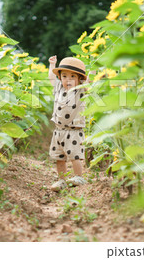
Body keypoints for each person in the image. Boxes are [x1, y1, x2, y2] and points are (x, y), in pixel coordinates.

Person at [48, 56, 89, 191]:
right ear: (60, 78)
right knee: (59, 157)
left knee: (74, 155)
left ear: (79, 80)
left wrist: (91, 75)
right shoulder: (59, 89)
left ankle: (79, 176)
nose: (68, 79)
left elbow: (89, 84)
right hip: (59, 131)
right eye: (64, 76)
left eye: (72, 76)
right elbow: (52, 78)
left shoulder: (80, 90)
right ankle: (62, 180)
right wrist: (52, 65)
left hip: (74, 131)